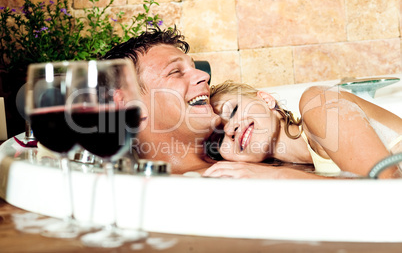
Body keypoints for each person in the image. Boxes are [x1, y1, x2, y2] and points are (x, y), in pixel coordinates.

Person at [203, 80, 402, 179]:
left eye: (233, 110)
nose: (230, 128)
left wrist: (278, 177)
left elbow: (384, 195)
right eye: (218, 139)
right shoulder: (296, 168)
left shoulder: (316, 104)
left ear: (266, 99)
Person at [103, 27, 221, 174]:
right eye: (175, 71)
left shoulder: (249, 162)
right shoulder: (143, 191)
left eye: (193, 67)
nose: (203, 75)